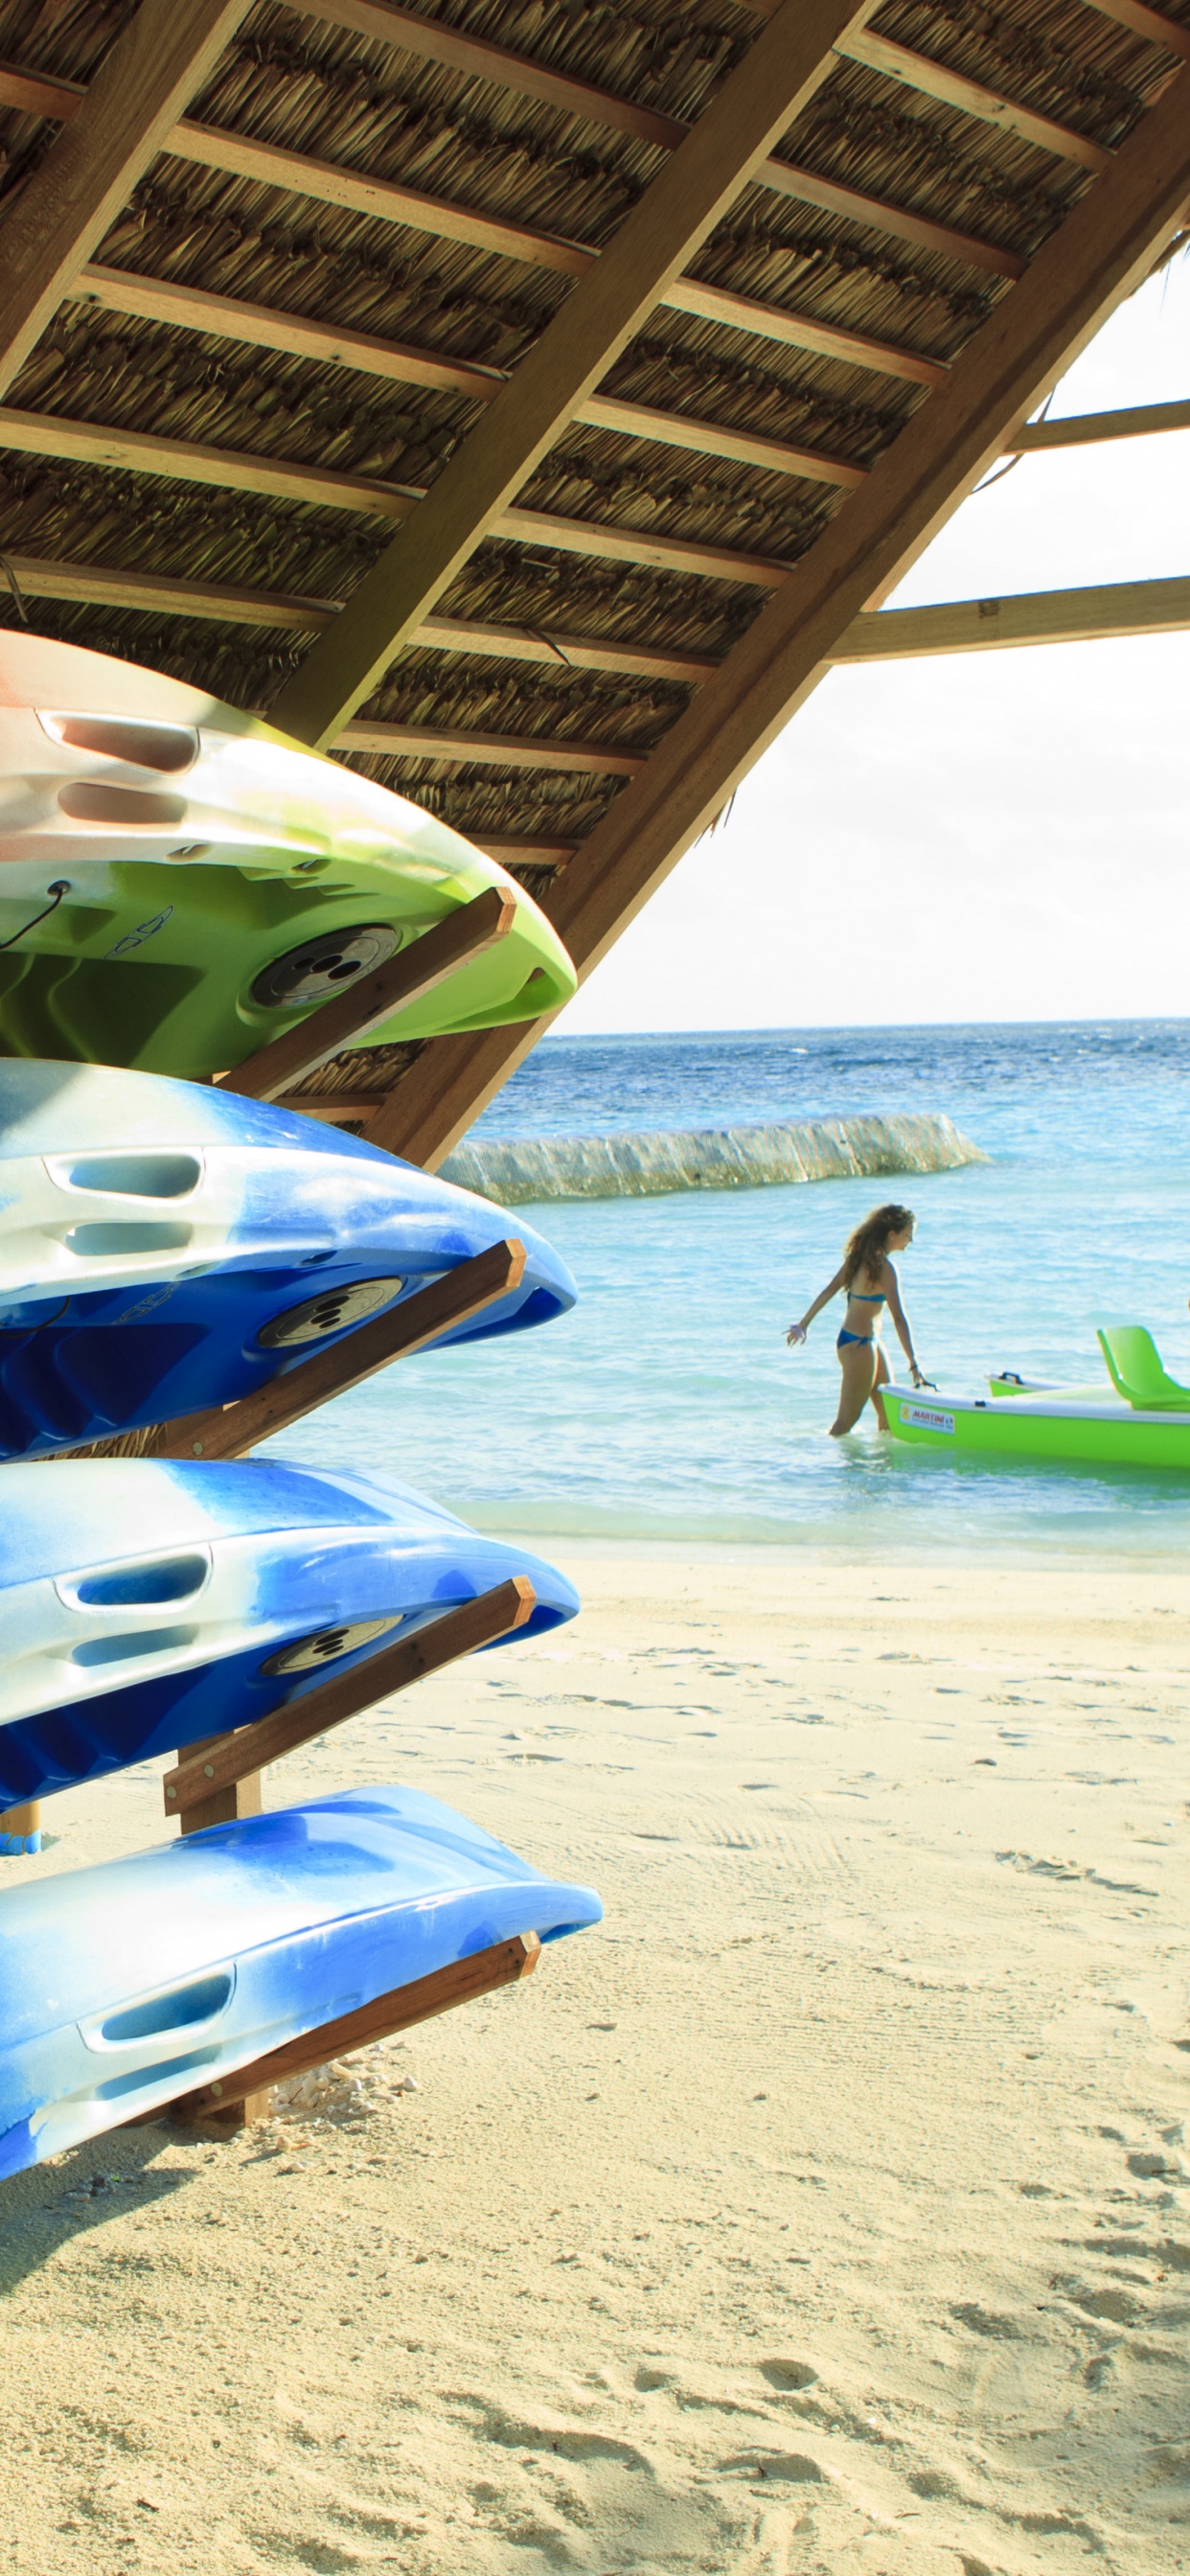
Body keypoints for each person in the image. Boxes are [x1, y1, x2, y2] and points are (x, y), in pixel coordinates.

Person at [786, 1203, 930, 1436]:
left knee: (889, 1419)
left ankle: (883, 1470)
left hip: (858, 1342)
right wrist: (913, 1362)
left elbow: (829, 1290)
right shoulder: (886, 1269)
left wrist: (804, 1324)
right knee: (845, 1424)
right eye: (907, 1235)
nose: (910, 1241)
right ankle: (828, 1466)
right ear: (892, 1234)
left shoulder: (858, 1259)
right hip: (860, 1345)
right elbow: (899, 1319)